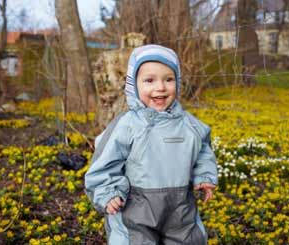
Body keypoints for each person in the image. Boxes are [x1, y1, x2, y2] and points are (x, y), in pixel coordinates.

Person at [85, 44, 218, 245]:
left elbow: (203, 151)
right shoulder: (126, 125)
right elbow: (104, 163)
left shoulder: (189, 125)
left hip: (180, 208)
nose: (160, 87)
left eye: (168, 79)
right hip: (135, 208)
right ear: (133, 84)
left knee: (187, 240)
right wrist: (108, 191)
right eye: (149, 80)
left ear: (178, 82)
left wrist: (204, 175)